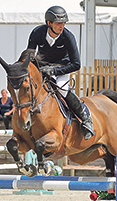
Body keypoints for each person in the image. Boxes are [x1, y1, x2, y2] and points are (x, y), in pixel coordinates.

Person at [26, 5, 94, 140]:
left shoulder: (68, 37)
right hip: (42, 67)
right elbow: (30, 55)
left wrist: (54, 71)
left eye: (63, 23)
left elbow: (76, 64)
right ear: (49, 23)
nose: (61, 26)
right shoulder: (37, 33)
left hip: (62, 67)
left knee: (62, 89)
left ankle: (85, 119)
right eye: (58, 23)